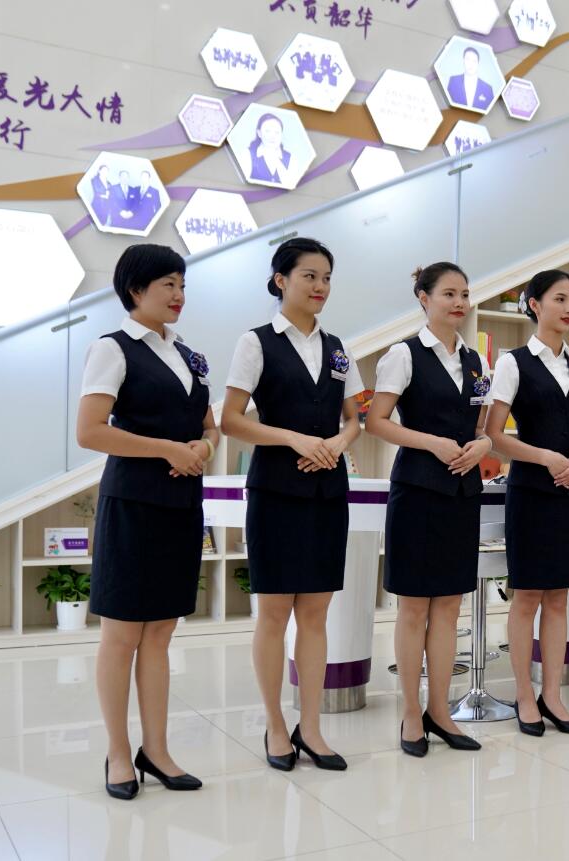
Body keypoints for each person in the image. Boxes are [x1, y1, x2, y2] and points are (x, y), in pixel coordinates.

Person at [77, 244, 218, 799]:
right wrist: (167, 449)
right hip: (133, 504)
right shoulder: (112, 348)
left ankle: (156, 750)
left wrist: (203, 448)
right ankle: (118, 752)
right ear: (135, 290)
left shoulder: (189, 354)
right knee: (121, 636)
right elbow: (90, 431)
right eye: (168, 285)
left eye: (183, 284)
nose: (179, 295)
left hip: (181, 505)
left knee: (160, 632)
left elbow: (209, 425)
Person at [221, 237, 361, 773]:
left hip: (328, 489)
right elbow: (231, 419)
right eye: (309, 276)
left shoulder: (339, 347)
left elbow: (355, 418)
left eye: (326, 278)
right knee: (275, 614)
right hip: (276, 490)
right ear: (281, 280)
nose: (320, 286)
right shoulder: (255, 342)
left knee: (317, 614)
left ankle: (313, 727)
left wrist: (338, 443)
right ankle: (276, 726)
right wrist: (293, 439)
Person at [366, 263, 491, 757]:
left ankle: (441, 711)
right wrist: (432, 443)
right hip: (417, 492)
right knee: (414, 607)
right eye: (448, 294)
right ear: (423, 297)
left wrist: (484, 445)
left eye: (464, 294)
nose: (459, 303)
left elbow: (482, 426)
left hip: (461, 494)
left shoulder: (475, 360)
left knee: (449, 607)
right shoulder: (403, 354)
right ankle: (411, 714)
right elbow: (377, 421)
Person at [485, 270, 569, 736]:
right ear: (534, 304)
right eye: (560, 299)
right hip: (531, 492)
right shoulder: (513, 363)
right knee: (527, 595)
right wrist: (545, 457)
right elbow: (493, 435)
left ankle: (552, 694)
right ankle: (524, 695)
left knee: (560, 598)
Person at [248, 113, 293, 185]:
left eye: (277, 132)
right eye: (267, 131)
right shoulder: (248, 155)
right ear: (259, 133)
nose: (272, 136)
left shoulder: (290, 158)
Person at [447, 46, 495, 111]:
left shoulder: (488, 89)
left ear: (478, 63)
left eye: (474, 61)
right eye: (468, 59)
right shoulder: (453, 81)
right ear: (463, 61)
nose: (470, 64)